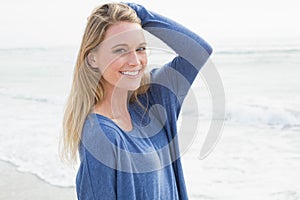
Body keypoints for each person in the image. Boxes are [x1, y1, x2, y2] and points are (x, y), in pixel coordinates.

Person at [61, 2, 212, 199]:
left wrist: (138, 13)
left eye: (140, 48)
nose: (135, 61)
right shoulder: (101, 135)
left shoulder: (154, 100)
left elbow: (198, 51)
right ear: (93, 59)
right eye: (120, 50)